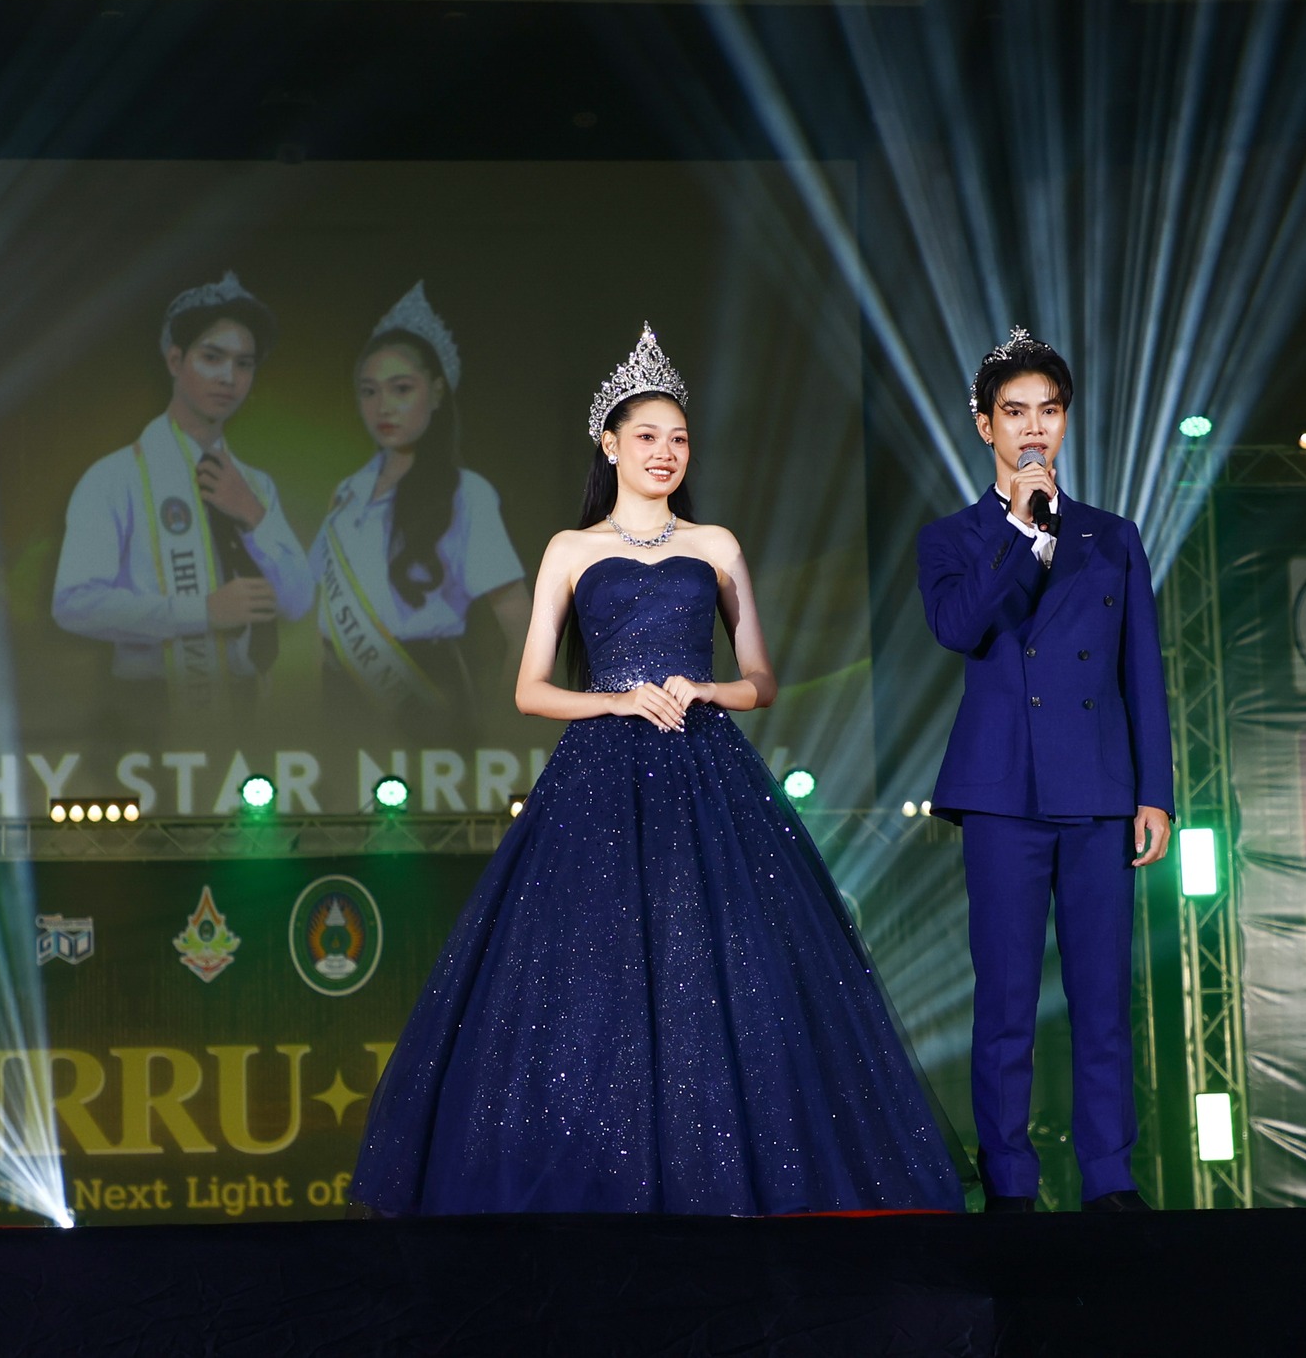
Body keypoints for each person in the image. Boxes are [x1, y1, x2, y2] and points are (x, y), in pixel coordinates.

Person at [350, 325, 964, 1216]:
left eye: (678, 438)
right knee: (594, 969)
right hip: (600, 773)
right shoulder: (569, 549)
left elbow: (761, 680)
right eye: (646, 436)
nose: (665, 452)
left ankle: (728, 1180)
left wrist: (705, 688)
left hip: (703, 767)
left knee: (718, 968)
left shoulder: (716, 544)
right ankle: (602, 1180)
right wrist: (616, 699)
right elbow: (529, 689)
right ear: (609, 445)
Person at [915, 327, 1175, 1213]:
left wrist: (1153, 791)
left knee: (1103, 998)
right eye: (1015, 411)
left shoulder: (1114, 536)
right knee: (1006, 1002)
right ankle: (1010, 1183)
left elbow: (1142, 669)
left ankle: (1110, 1178)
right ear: (984, 424)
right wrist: (1020, 527)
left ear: (1065, 422)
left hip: (1099, 790)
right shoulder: (953, 538)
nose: (1034, 428)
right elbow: (958, 627)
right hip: (1002, 794)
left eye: (1049, 411)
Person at [52, 271, 313, 716]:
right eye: (212, 357)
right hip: (153, 712)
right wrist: (201, 612)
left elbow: (297, 602)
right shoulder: (116, 477)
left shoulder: (254, 485)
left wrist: (253, 515)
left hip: (250, 710)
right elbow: (73, 604)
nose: (228, 377)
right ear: (175, 360)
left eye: (244, 364)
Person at [310, 281, 530, 719]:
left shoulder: (467, 494)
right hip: (343, 696)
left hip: (427, 691)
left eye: (401, 389)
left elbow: (522, 628)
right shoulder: (347, 493)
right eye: (369, 391)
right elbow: (323, 616)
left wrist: (504, 725)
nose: (383, 407)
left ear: (437, 391)